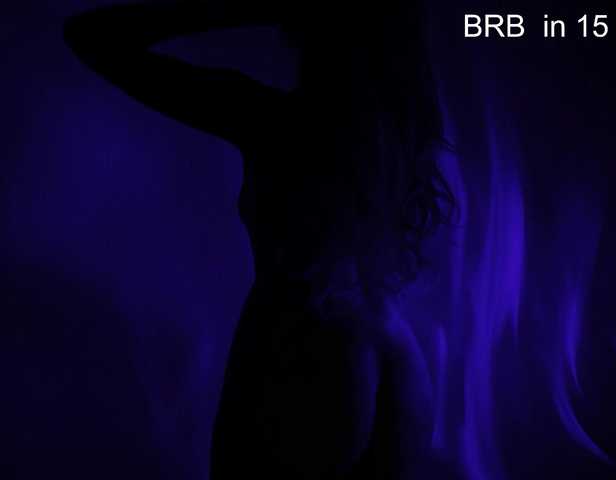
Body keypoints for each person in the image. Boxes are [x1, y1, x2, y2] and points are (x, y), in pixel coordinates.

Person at [63, 1, 454, 478]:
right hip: (394, 352)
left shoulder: (274, 123)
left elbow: (93, 38)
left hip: (303, 347)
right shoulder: (403, 133)